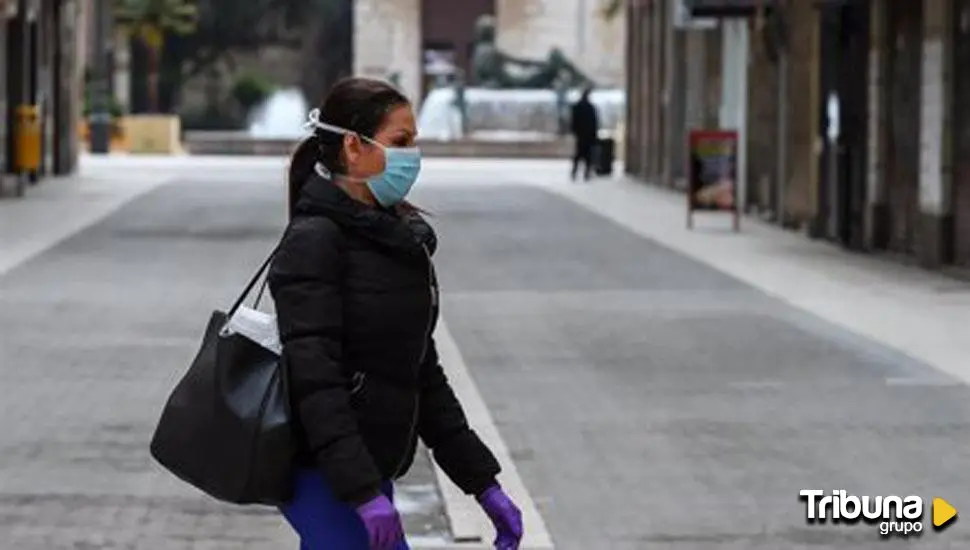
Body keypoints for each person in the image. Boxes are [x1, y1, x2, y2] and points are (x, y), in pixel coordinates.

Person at [268, 76, 525, 550]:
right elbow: (315, 381)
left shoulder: (393, 238)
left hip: (363, 473)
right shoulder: (315, 242)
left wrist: (482, 483)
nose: (413, 157)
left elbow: (420, 373)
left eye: (415, 142)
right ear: (353, 147)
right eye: (400, 142)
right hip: (324, 476)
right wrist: (362, 492)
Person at [569, 87, 599, 181]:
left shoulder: (576, 107)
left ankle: (574, 172)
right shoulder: (591, 107)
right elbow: (594, 122)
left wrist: (575, 132)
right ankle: (586, 174)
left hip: (580, 134)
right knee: (588, 155)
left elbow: (573, 121)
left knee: (578, 154)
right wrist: (594, 135)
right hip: (589, 134)